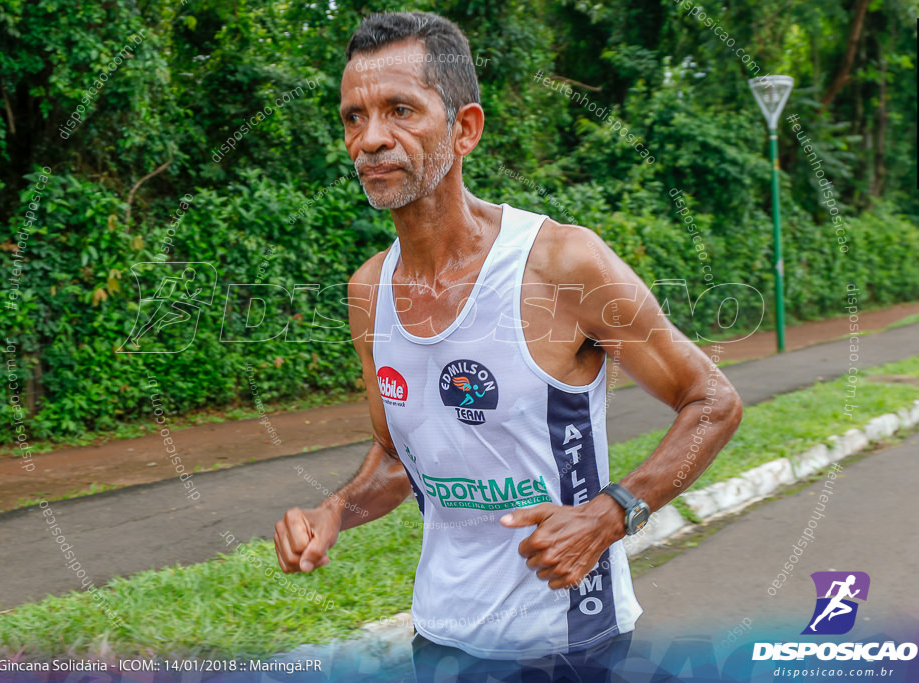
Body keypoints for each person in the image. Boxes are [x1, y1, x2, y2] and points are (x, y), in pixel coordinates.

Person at [274, 11, 743, 682]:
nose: (370, 139)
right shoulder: (368, 291)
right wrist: (335, 510)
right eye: (353, 117)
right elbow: (401, 457)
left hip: (570, 641)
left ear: (465, 128)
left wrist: (611, 513)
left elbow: (713, 401)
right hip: (440, 636)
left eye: (399, 110)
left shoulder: (560, 263)